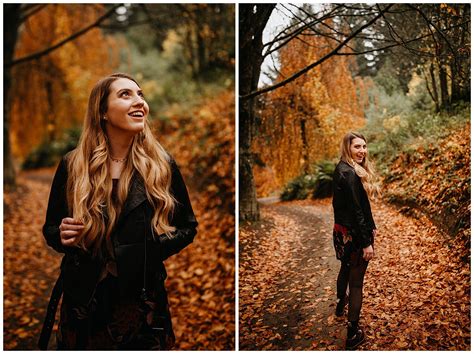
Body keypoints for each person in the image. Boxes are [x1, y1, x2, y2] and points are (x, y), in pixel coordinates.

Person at [39, 73, 198, 350]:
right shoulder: (73, 165)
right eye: (125, 95)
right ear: (102, 112)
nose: (139, 102)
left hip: (141, 302)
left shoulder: (161, 165)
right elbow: (52, 228)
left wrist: (150, 248)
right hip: (84, 302)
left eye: (141, 94)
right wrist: (62, 235)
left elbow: (188, 226)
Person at [332, 131, 379, 350]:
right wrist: (366, 242)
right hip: (354, 235)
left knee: (344, 267)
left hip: (342, 232)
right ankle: (352, 333)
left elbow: (351, 206)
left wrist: (372, 226)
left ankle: (341, 303)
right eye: (357, 147)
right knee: (357, 282)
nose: (362, 151)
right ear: (347, 148)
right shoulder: (350, 174)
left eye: (364, 146)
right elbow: (356, 211)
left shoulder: (341, 168)